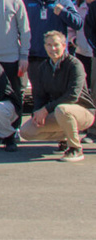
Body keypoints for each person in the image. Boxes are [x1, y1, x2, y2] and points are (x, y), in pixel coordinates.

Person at [20, 31, 96, 162]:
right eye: (49, 45)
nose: (52, 48)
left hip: (83, 112)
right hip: (58, 111)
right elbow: (40, 95)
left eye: (56, 44)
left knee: (63, 109)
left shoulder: (75, 65)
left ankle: (75, 149)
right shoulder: (44, 67)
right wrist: (37, 112)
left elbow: (72, 96)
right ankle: (66, 137)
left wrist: (45, 110)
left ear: (63, 45)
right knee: (26, 131)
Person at [24, 0, 82, 91]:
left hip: (56, 57)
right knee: (39, 94)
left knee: (58, 92)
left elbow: (78, 23)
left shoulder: (62, 0)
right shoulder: (27, 2)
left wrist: (63, 12)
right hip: (35, 57)